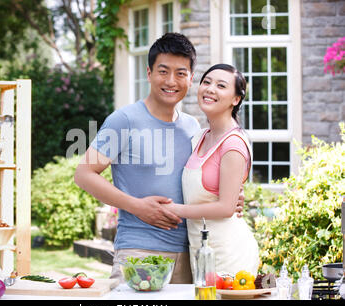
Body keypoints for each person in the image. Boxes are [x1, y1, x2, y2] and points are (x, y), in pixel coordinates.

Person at [74, 33, 243, 284]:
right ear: (149, 73)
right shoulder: (124, 120)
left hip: (188, 255)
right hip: (138, 251)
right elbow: (84, 175)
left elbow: (201, 181)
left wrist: (230, 197)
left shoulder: (192, 127)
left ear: (190, 78)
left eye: (181, 73)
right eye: (163, 71)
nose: (171, 81)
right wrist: (136, 206)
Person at [161, 63, 260, 277]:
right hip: (202, 251)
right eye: (207, 82)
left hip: (229, 254)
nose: (210, 89)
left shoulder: (233, 144)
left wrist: (175, 210)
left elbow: (226, 208)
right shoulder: (200, 137)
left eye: (221, 85)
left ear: (236, 99)